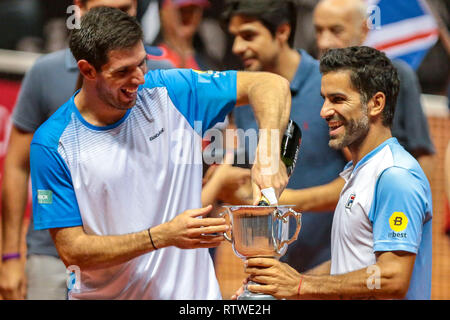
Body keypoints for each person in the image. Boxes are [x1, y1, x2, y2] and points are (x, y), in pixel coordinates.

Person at [29, 7, 291, 299]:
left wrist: (268, 151)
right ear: (88, 70)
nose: (139, 78)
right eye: (123, 72)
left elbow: (270, 84)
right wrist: (162, 236)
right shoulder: (53, 144)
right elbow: (73, 250)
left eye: (142, 63)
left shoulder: (171, 92)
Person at [0, 0, 174, 300]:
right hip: (50, 256)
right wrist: (10, 258)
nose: (115, 19)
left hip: (137, 258)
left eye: (126, 10)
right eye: (105, 8)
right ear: (78, 8)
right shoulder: (45, 72)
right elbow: (16, 165)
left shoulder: (161, 75)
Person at [242, 46, 432, 300]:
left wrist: (300, 285)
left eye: (338, 99)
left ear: (376, 103)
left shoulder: (395, 176)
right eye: (324, 98)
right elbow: (350, 266)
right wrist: (280, 287)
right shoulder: (359, 172)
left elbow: (392, 277)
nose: (324, 111)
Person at [224, 0, 348, 273]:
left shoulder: (330, 86)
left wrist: (289, 200)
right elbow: (247, 177)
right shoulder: (244, 98)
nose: (237, 47)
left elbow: (364, 178)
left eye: (248, 35)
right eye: (234, 36)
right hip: (274, 275)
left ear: (281, 32)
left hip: (333, 273)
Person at [312, 0, 435, 179]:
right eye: (318, 30)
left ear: (363, 30)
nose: (324, 42)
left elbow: (423, 153)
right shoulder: (312, 77)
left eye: (336, 30)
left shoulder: (396, 75)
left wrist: (420, 201)